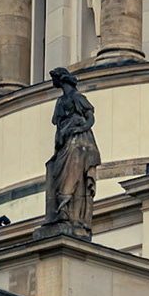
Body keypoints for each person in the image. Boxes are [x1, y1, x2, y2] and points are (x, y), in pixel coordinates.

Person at [43, 67, 101, 234]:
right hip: (64, 140)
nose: (52, 83)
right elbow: (58, 123)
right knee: (58, 172)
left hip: (78, 139)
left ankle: (68, 211)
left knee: (73, 173)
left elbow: (90, 117)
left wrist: (82, 127)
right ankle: (61, 210)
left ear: (60, 79)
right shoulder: (60, 101)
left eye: (53, 79)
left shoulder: (77, 97)